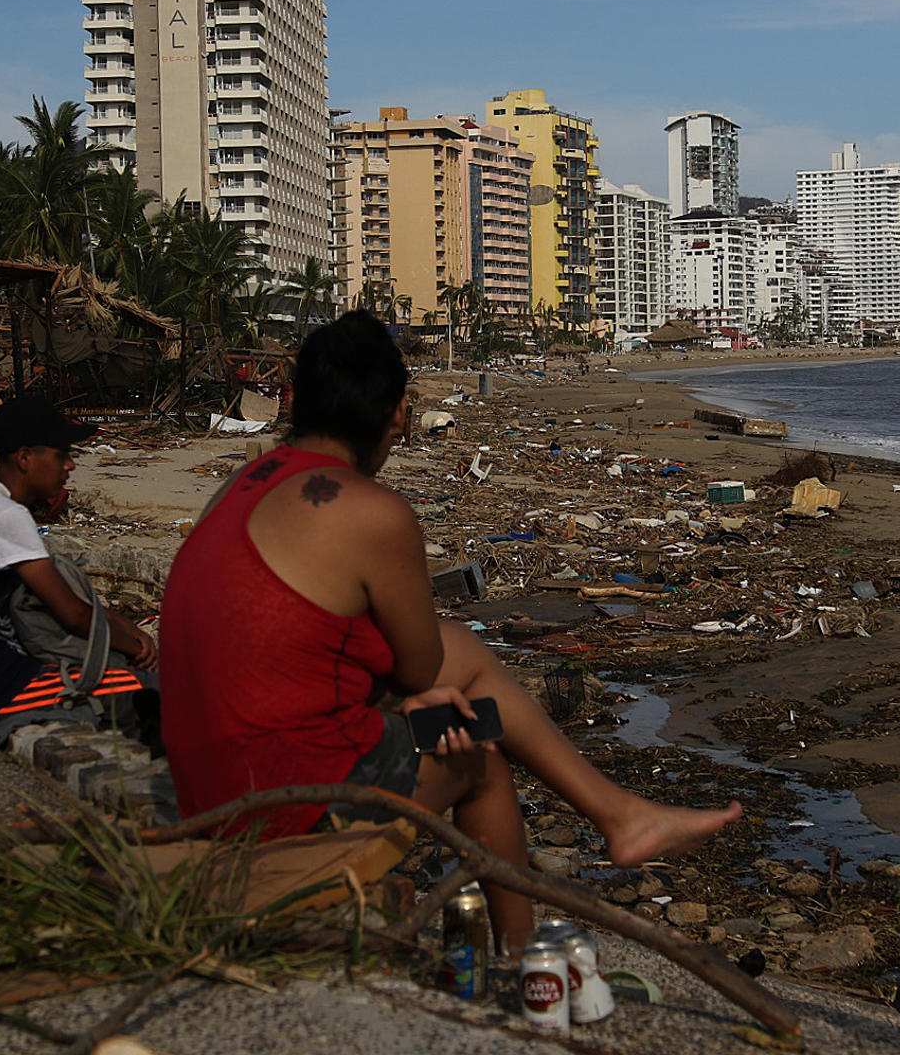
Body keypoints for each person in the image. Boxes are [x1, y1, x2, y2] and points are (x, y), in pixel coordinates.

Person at [159, 312, 739, 951]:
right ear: (399, 413)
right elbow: (416, 669)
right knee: (476, 747)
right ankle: (524, 949)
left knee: (461, 670)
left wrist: (407, 697)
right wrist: (413, 699)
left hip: (207, 790)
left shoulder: (239, 487)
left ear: (298, 403)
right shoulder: (371, 511)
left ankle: (617, 818)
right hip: (284, 809)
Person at [0, 395, 161, 747]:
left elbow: (68, 605)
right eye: (61, 454)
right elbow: (73, 615)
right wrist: (136, 647)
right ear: (24, 458)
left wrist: (126, 627)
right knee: (156, 689)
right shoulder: (7, 516)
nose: (69, 466)